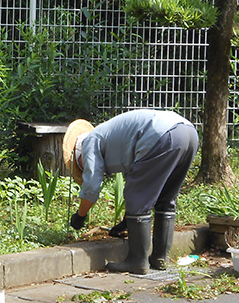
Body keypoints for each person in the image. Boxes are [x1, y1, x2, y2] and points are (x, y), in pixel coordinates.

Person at [62, 109, 199, 274]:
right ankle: (160, 258)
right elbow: (141, 182)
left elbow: (92, 186)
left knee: (137, 198)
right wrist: (127, 222)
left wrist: (80, 216)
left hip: (161, 135)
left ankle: (137, 261)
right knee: (165, 198)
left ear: (79, 154)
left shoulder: (90, 141)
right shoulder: (115, 139)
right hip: (188, 133)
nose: (84, 170)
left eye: (80, 167)